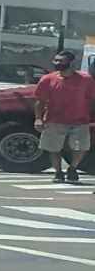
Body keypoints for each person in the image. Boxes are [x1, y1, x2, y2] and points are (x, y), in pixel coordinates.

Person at [34, 50, 95, 184]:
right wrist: (38, 118)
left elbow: (91, 99)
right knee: (53, 147)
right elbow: (40, 100)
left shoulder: (86, 79)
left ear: (72, 63)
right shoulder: (47, 79)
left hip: (80, 120)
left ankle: (72, 168)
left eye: (61, 61)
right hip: (54, 119)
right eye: (55, 60)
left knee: (82, 147)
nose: (57, 63)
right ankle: (58, 172)